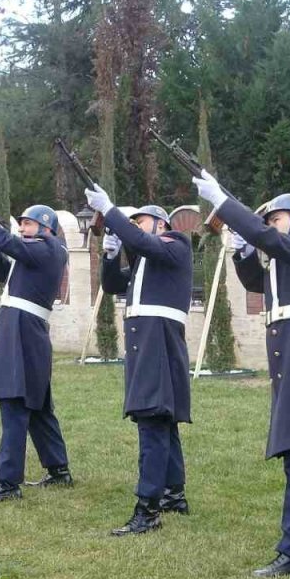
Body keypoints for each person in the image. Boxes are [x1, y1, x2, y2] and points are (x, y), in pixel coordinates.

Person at [193, 175, 290, 577]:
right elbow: (256, 283)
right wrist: (244, 252)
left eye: (275, 219)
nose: (270, 227)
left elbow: (274, 242)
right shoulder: (289, 260)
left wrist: (225, 204)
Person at [0, 187, 73, 503]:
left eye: (28, 224)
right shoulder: (38, 252)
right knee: (37, 407)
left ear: (46, 228)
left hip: (23, 333)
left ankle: (7, 483)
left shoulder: (49, 248)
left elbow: (9, 243)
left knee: (14, 405)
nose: (22, 228)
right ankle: (58, 468)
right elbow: (14, 278)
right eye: (21, 224)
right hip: (25, 332)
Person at [84, 189, 192, 536]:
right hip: (147, 346)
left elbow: (144, 242)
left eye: (140, 222)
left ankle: (148, 509)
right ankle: (173, 494)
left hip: (156, 345)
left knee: (152, 421)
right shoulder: (148, 261)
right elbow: (114, 284)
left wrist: (110, 210)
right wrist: (111, 257)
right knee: (163, 421)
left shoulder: (175, 245)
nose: (133, 228)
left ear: (160, 224)